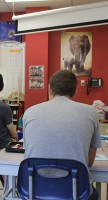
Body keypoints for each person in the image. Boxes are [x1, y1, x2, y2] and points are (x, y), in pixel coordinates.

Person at [23, 70, 101, 200]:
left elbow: (29, 149)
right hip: (77, 191)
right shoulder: (91, 113)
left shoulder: (29, 112)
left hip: (34, 189)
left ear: (50, 90)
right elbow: (90, 162)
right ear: (74, 91)